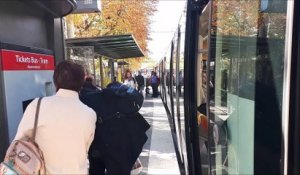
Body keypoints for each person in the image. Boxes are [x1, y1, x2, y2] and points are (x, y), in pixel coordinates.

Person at [14, 60, 97, 174]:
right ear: (82, 83)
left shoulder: (37, 105)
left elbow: (18, 143)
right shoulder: (90, 114)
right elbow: (85, 148)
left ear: (55, 81)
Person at [80, 82, 150, 175]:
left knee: (97, 168)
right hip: (122, 143)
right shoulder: (109, 96)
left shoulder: (86, 99)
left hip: (100, 146)